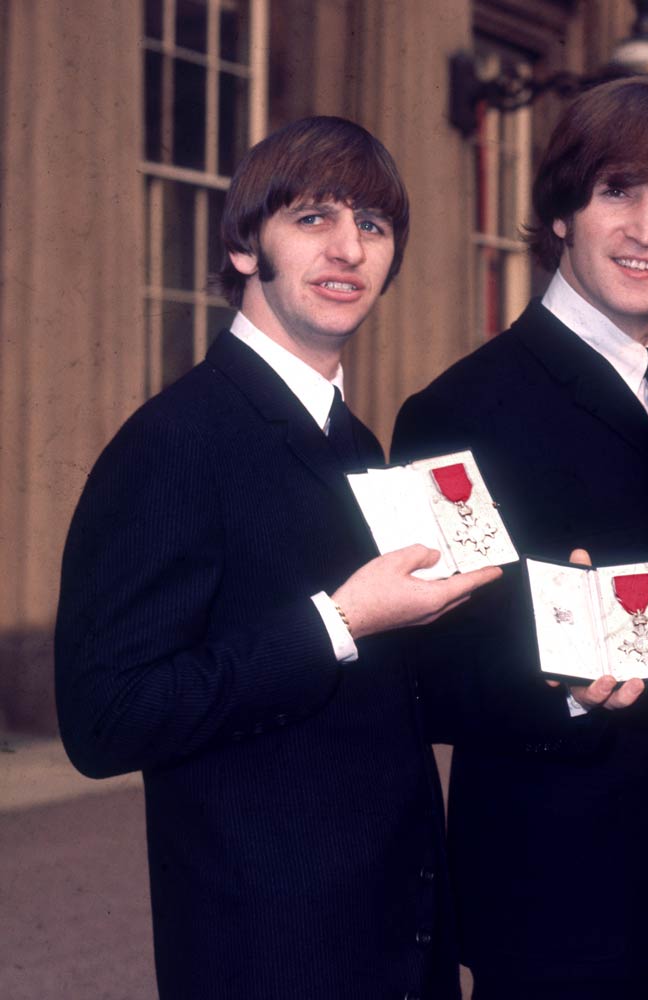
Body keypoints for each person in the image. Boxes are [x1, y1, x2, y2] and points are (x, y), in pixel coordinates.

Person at [54, 117, 502, 999]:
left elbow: (387, 700)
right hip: (268, 958)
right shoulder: (174, 442)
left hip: (393, 942)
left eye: (372, 227)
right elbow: (106, 719)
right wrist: (339, 621)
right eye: (313, 218)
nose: (347, 249)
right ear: (244, 245)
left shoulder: (360, 443)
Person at [391, 76, 648, 1000]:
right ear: (559, 213)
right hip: (558, 905)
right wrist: (564, 684)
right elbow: (426, 683)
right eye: (617, 191)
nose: (647, 230)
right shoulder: (461, 411)